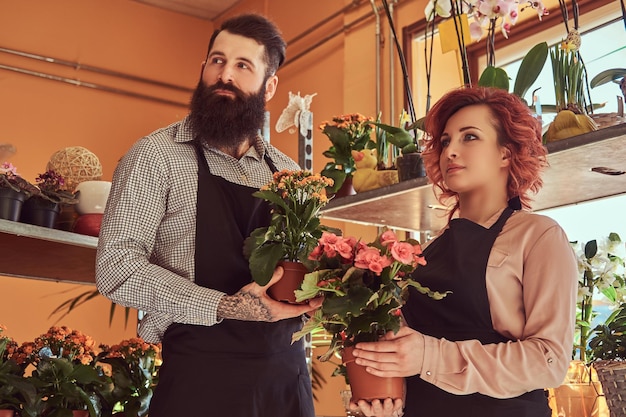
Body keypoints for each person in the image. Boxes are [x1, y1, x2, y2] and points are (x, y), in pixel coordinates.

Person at [95, 14, 321, 417]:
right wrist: (225, 306)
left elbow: (307, 267)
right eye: (217, 61)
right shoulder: (155, 156)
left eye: (242, 66)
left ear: (269, 87)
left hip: (286, 384)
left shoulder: (291, 174)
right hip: (199, 382)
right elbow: (117, 268)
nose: (225, 75)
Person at [349, 87, 578, 417]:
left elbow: (549, 361)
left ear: (506, 153)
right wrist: (389, 397)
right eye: (445, 142)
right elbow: (412, 355)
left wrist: (430, 356)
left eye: (469, 137)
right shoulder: (428, 249)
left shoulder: (539, 236)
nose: (451, 151)